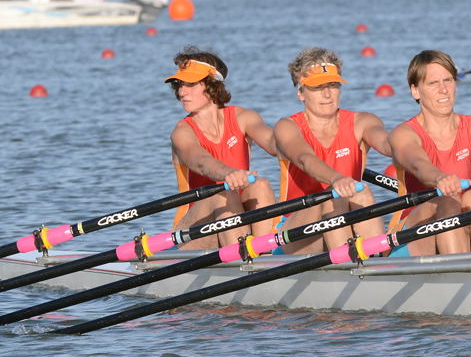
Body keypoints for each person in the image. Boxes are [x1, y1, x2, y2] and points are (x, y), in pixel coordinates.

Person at [274, 48, 392, 254]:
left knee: (360, 192)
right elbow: (304, 159)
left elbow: (388, 144)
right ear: (301, 93)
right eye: (318, 87)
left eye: (333, 85)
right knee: (333, 196)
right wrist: (337, 179)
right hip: (296, 231)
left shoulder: (363, 122)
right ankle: (352, 266)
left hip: (344, 217)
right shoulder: (287, 127)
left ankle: (375, 262)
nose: (327, 94)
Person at [389, 50, 471, 255]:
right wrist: (440, 178)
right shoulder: (403, 134)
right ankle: (460, 272)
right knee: (448, 201)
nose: (443, 90)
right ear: (415, 91)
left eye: (448, 80)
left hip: (461, 223)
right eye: (433, 83)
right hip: (415, 232)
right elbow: (418, 164)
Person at [165, 49, 278, 248]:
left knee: (260, 184)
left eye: (190, 84)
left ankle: (262, 255)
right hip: (193, 232)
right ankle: (242, 260)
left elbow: (274, 144)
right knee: (222, 194)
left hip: (234, 221)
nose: (182, 92)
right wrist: (229, 173)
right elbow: (200, 162)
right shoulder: (182, 132)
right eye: (180, 84)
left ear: (212, 84)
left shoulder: (244, 117)